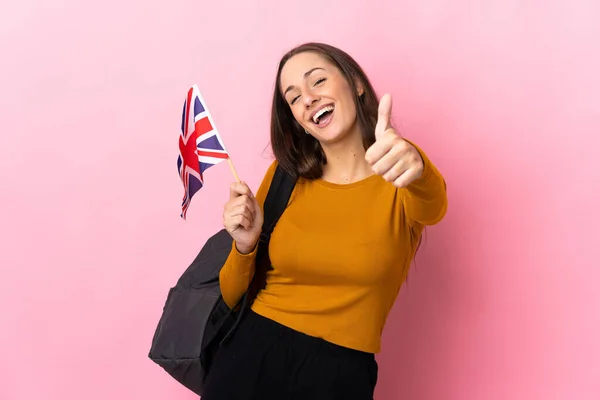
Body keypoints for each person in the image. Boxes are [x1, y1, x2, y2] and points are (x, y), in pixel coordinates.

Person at [201, 42, 448, 400]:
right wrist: (246, 244)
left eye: (317, 81)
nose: (308, 98)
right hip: (249, 355)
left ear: (356, 84)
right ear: (296, 120)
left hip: (340, 373)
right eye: (294, 97)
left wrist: (417, 165)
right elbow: (230, 294)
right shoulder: (285, 177)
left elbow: (434, 205)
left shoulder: (402, 174)